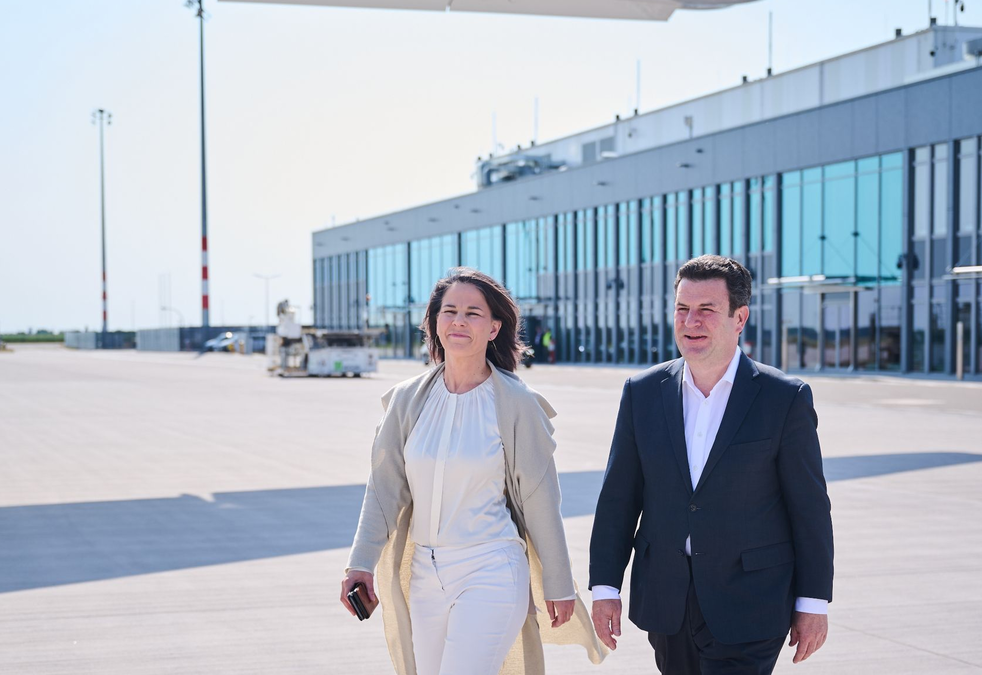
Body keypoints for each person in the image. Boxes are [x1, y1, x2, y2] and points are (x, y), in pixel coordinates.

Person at [341, 267, 604, 675]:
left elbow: (541, 499)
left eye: (472, 313)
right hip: (426, 575)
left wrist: (558, 581)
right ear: (435, 323)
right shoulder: (407, 400)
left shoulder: (517, 403)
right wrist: (360, 562)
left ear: (495, 327)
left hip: (492, 567)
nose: (459, 321)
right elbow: (383, 489)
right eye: (449, 311)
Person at [587, 255, 833, 674]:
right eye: (682, 309)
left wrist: (812, 602)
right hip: (667, 598)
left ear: (740, 318)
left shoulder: (784, 398)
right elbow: (618, 499)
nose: (690, 321)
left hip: (752, 599)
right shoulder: (642, 393)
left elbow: (808, 507)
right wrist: (605, 587)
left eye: (706, 309)